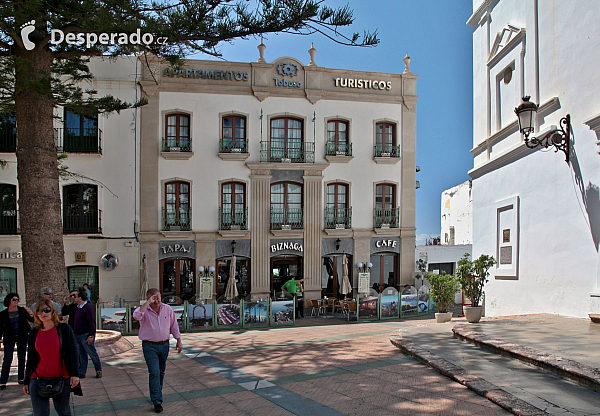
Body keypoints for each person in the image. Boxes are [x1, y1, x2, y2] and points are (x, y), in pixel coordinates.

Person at [23, 300, 81, 416]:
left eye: (46, 310)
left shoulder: (64, 329)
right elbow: (31, 357)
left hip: (61, 378)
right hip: (37, 378)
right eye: (39, 311)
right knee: (40, 413)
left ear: (52, 311)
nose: (43, 313)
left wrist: (75, 374)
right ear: (36, 314)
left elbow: (73, 352)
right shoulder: (35, 332)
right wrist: (26, 380)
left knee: (63, 411)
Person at [133, 288, 183, 414]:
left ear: (161, 296)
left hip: (164, 345)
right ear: (149, 298)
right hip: (149, 346)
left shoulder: (168, 309)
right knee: (154, 372)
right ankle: (157, 401)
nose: (156, 301)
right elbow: (136, 316)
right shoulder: (144, 310)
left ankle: (157, 391)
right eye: (153, 298)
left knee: (161, 372)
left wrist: (178, 340)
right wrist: (147, 303)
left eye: (158, 297)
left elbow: (174, 325)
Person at [0, 293, 33, 389]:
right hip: (9, 338)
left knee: (22, 358)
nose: (16, 301)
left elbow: (31, 319)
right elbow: (0, 328)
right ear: (9, 301)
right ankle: (3, 381)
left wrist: (30, 312)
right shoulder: (3, 314)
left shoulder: (22, 311)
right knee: (7, 359)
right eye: (14, 299)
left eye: (17, 299)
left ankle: (21, 378)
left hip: (22, 337)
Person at [73, 288, 102, 379]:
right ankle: (82, 372)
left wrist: (91, 335)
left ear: (80, 298)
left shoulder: (88, 308)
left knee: (92, 353)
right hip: (78, 334)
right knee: (82, 354)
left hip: (85, 335)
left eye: (76, 296)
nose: (74, 298)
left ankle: (98, 370)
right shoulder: (78, 308)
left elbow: (91, 322)